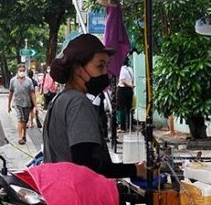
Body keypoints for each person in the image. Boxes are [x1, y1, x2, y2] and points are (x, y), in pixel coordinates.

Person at [42, 34, 145, 179]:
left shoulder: (60, 99)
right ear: (78, 69)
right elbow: (87, 165)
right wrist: (135, 170)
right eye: (99, 66)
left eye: (106, 66)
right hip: (79, 194)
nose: (105, 73)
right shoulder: (77, 103)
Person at [7, 65, 36, 145]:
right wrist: (8, 105)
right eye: (20, 70)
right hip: (17, 103)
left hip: (27, 103)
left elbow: (32, 93)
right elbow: (10, 92)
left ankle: (24, 135)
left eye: (23, 70)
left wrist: (36, 105)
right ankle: (20, 136)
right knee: (20, 119)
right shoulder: (13, 81)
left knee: (25, 121)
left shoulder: (29, 81)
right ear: (17, 70)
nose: (22, 72)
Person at [116, 61, 135, 132]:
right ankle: (130, 127)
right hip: (130, 90)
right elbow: (132, 80)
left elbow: (122, 80)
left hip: (122, 90)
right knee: (129, 109)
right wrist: (131, 86)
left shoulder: (122, 69)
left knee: (122, 110)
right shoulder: (130, 69)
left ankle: (123, 128)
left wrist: (129, 85)